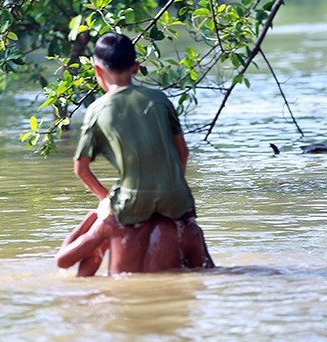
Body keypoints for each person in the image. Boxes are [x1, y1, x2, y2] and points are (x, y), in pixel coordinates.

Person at [56, 32, 214, 275]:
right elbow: (182, 152)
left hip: (131, 202)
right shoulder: (160, 100)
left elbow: (81, 169)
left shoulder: (97, 109)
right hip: (176, 198)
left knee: (86, 267)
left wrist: (104, 201)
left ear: (98, 71)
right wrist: (172, 186)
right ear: (136, 67)